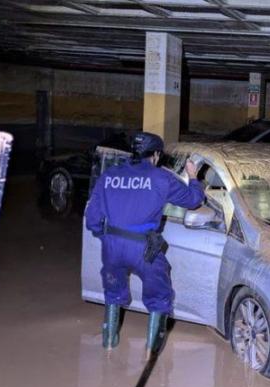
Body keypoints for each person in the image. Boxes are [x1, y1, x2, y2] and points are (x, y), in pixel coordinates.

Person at [85, 132, 205, 357]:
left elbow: (92, 220)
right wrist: (193, 177)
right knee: (160, 294)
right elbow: (193, 200)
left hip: (111, 246)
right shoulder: (161, 178)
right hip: (143, 249)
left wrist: (106, 238)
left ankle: (109, 347)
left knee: (113, 293)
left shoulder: (109, 175)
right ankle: (151, 356)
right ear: (156, 155)